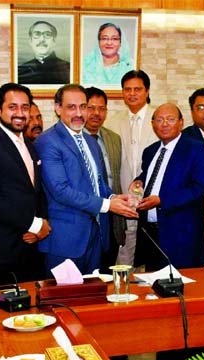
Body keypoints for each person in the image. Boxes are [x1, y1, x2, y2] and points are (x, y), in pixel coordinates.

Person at [35, 84, 138, 274]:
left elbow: (97, 183)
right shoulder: (48, 141)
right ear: (58, 108)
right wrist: (107, 205)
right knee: (63, 300)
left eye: (83, 106)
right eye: (71, 107)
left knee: (93, 298)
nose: (79, 113)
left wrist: (115, 197)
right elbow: (60, 190)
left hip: (95, 237)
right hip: (65, 241)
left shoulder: (90, 140)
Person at [0, 83, 50, 284]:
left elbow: (36, 192)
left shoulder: (30, 145)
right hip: (5, 250)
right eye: (12, 107)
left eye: (25, 107)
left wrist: (42, 224)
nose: (20, 113)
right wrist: (35, 224)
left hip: (33, 246)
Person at [131, 103, 204, 270]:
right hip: (150, 234)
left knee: (183, 288)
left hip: (181, 236)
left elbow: (199, 188)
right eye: (159, 120)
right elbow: (153, 176)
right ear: (153, 124)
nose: (164, 124)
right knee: (152, 287)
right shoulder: (150, 151)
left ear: (181, 122)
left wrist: (161, 200)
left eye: (170, 119)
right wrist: (139, 181)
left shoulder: (197, 149)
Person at [106, 70, 156, 266]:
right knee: (124, 255)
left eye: (137, 89)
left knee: (150, 257)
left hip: (152, 201)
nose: (132, 94)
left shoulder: (160, 119)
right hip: (123, 199)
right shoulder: (111, 122)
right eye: (127, 89)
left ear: (147, 90)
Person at [84, 87, 126, 271]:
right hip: (86, 218)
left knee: (109, 274)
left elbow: (114, 178)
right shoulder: (74, 140)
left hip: (112, 219)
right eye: (91, 108)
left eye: (101, 109)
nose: (96, 113)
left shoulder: (114, 138)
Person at [17, 21, 70, 85]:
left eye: (47, 35)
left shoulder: (68, 68)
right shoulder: (21, 70)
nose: (42, 39)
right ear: (30, 41)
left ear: (54, 41)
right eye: (37, 34)